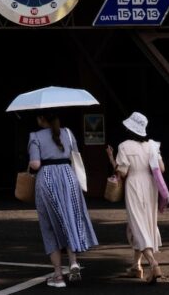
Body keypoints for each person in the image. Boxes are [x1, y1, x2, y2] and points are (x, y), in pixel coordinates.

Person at [28, 111, 98, 288]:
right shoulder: (68, 133)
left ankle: (58, 276)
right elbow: (75, 155)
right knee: (71, 219)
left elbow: (35, 164)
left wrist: (31, 162)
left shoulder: (35, 136)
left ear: (41, 119)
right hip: (69, 177)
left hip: (47, 179)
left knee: (50, 225)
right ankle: (73, 262)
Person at [105, 111, 165, 284]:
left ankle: (154, 264)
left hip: (134, 185)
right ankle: (136, 266)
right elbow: (161, 168)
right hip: (150, 185)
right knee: (143, 222)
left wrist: (110, 157)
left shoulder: (124, 146)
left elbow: (122, 172)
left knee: (137, 224)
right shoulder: (153, 145)